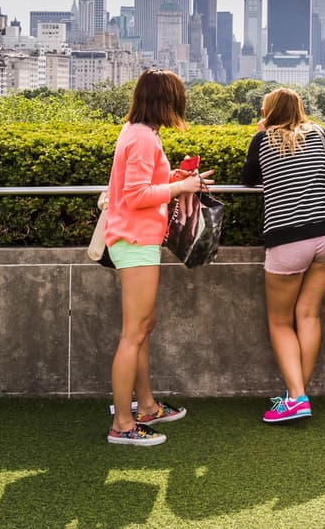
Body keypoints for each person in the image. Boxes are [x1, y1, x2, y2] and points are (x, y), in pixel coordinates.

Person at [104, 69, 214, 445]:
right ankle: (123, 423)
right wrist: (182, 185)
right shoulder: (141, 137)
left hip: (138, 240)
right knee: (134, 333)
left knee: (143, 327)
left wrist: (180, 178)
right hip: (135, 241)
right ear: (165, 102)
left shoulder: (140, 133)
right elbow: (135, 195)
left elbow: (142, 186)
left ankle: (146, 406)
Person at [242, 88, 325, 423]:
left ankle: (297, 397)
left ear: (269, 112)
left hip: (287, 242)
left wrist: (259, 135)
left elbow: (249, 180)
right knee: (309, 315)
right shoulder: (319, 133)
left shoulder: (264, 140)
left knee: (280, 321)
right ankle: (295, 395)